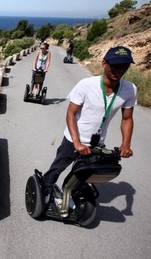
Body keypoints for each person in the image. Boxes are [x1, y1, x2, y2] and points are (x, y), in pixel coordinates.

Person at [42, 46, 137, 198]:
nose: (119, 70)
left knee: (84, 173)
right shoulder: (86, 85)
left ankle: (70, 193)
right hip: (74, 139)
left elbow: (127, 118)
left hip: (97, 142)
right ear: (104, 63)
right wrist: (77, 142)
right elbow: (71, 114)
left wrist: (126, 144)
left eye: (124, 66)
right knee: (58, 166)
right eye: (115, 66)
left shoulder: (130, 89)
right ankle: (45, 189)